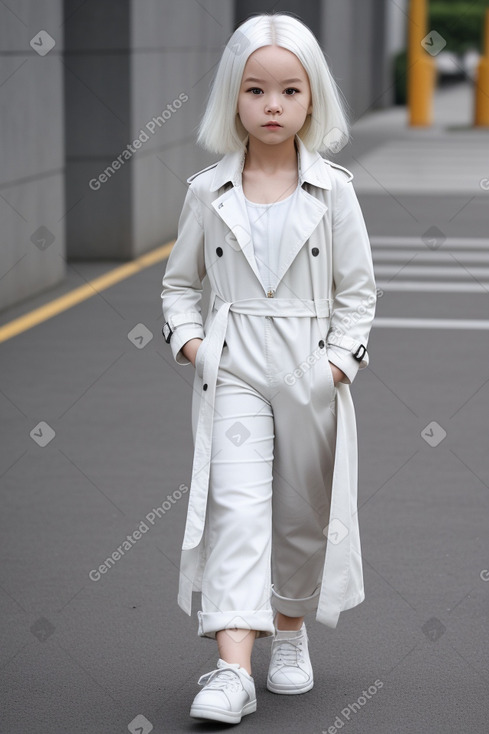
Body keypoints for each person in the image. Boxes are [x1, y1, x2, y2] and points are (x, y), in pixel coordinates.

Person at [161, 12, 376, 726]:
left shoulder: (334, 190)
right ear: (234, 98)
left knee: (301, 514)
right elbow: (176, 286)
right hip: (235, 365)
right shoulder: (206, 191)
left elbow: (358, 293)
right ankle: (230, 670)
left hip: (309, 365)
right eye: (256, 90)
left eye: (289, 90)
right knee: (235, 510)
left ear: (312, 98)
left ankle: (289, 630)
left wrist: (336, 367)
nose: (273, 105)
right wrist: (195, 348)